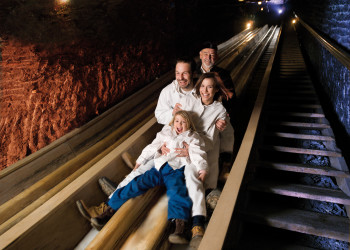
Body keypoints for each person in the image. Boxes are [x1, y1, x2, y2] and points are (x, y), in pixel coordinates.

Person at [78, 110, 208, 244]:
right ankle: (108, 212)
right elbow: (152, 146)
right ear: (173, 122)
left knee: (176, 192)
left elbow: (199, 154)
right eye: (177, 121)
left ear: (189, 124)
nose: (179, 124)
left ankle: (180, 228)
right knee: (136, 184)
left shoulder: (193, 137)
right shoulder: (166, 133)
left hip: (175, 170)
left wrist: (202, 169)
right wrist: (140, 161)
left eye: (183, 122)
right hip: (159, 167)